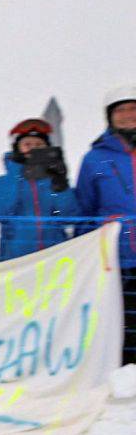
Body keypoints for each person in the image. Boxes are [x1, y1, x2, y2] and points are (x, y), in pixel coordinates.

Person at [75, 84, 136, 365]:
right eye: (120, 110)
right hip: (115, 256)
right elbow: (85, 208)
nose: (128, 115)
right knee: (122, 321)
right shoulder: (96, 159)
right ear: (110, 117)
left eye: (133, 108)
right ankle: (123, 377)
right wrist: (83, 255)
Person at [0, 118, 83, 262]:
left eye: (39, 144)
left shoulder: (53, 181)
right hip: (14, 259)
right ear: (17, 148)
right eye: (27, 144)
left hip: (55, 257)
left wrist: (60, 182)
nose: (33, 148)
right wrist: (17, 172)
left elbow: (70, 216)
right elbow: (0, 212)